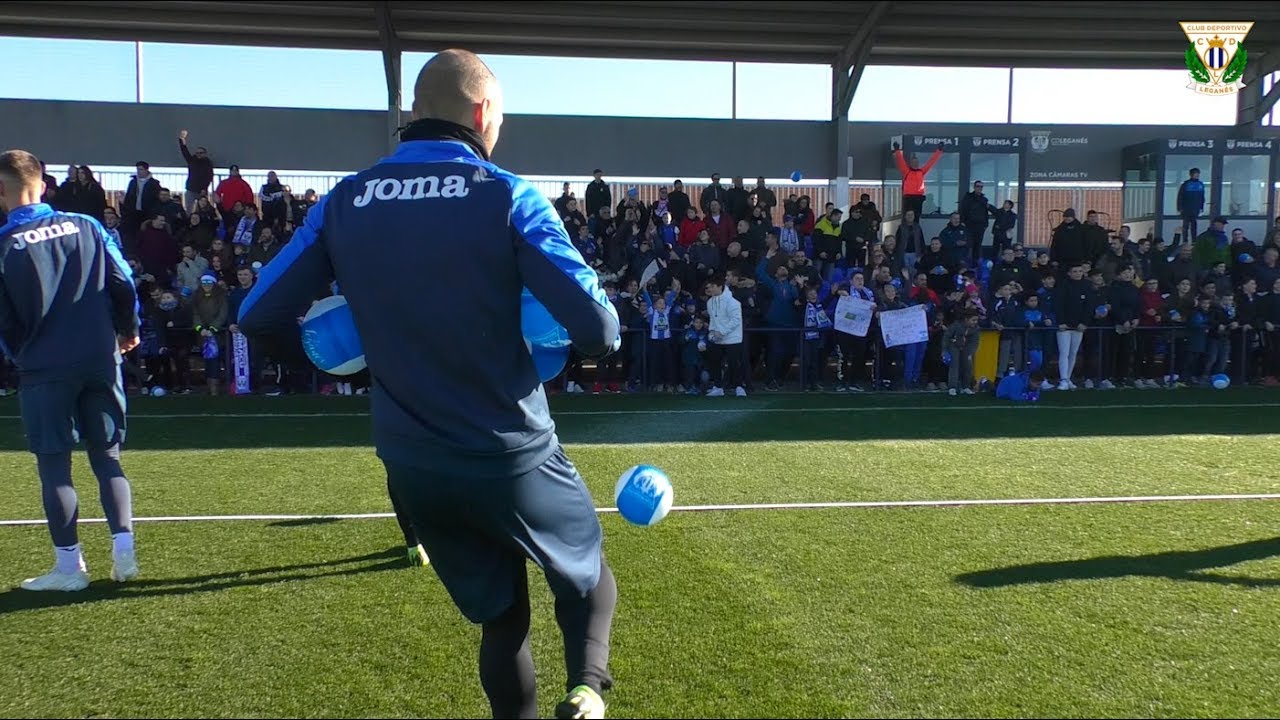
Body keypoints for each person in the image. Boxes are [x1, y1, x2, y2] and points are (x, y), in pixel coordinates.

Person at [235, 50, 621, 720]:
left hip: (414, 463)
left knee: (502, 619)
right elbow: (599, 328)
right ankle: (587, 689)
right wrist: (551, 345)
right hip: (510, 451)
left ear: (416, 111)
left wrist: (357, 367)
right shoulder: (507, 194)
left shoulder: (345, 200)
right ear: (482, 111)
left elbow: (257, 316)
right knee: (587, 574)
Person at [0, 149, 141, 592]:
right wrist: (128, 330)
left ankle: (69, 569)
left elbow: (4, 322)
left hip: (44, 366)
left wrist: (21, 356)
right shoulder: (88, 225)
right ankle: (124, 554)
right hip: (100, 356)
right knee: (108, 457)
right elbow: (124, 282)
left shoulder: (4, 245)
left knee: (55, 467)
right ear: (43, 185)